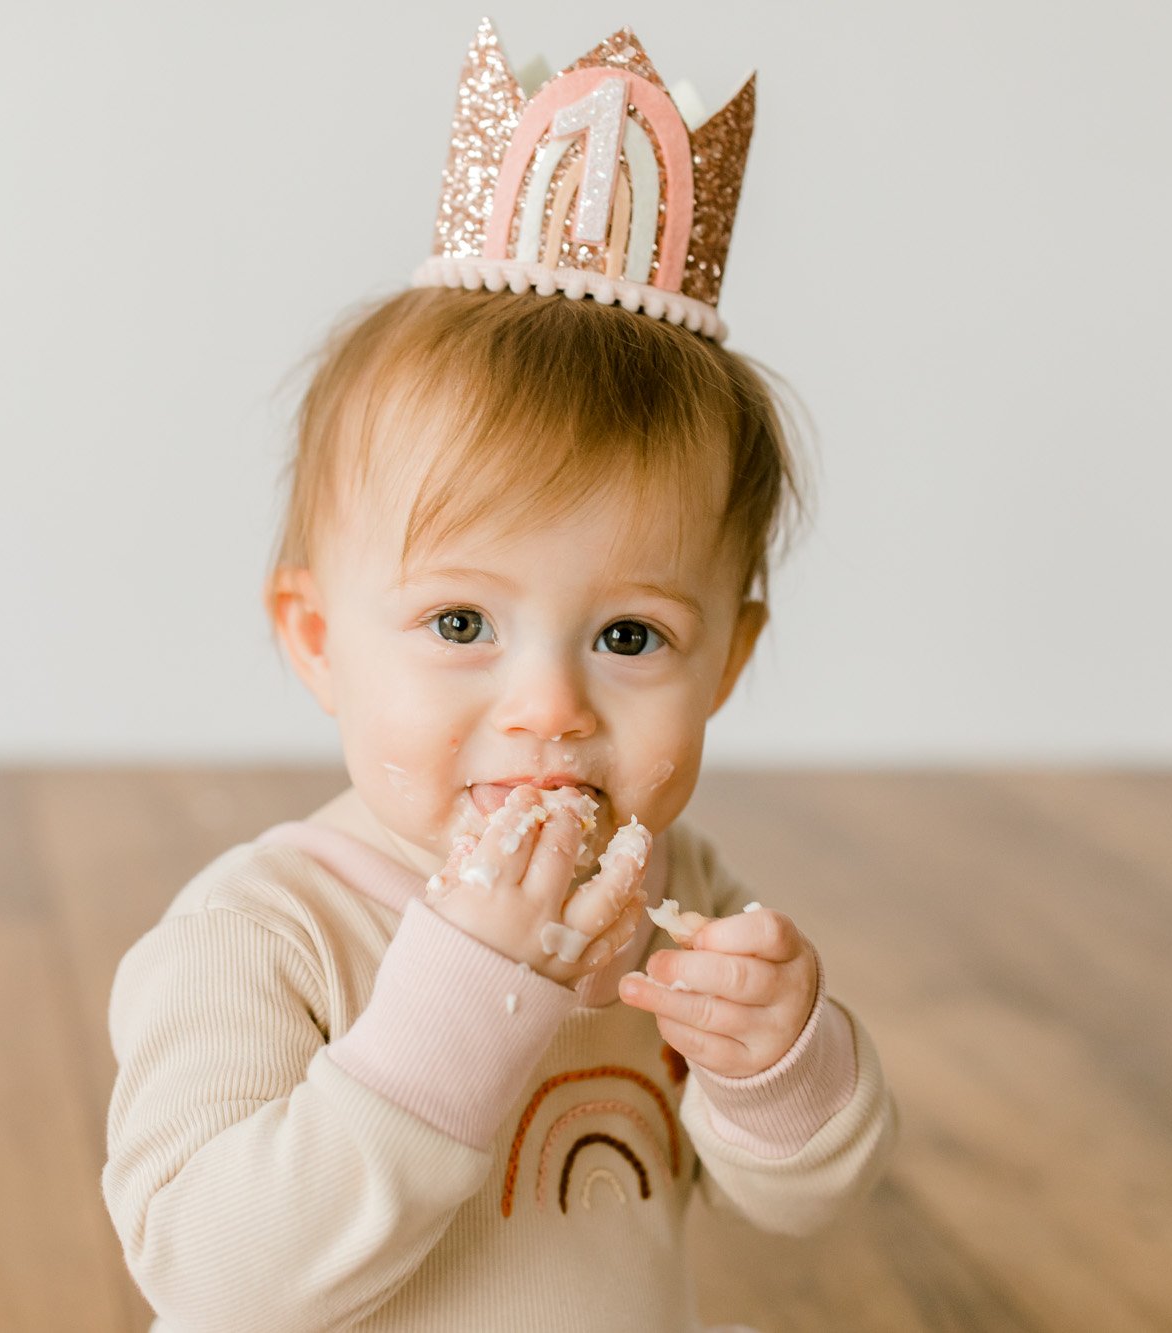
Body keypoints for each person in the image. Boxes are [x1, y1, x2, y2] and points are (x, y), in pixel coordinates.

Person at [101, 19, 900, 1332]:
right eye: (462, 622)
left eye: (628, 637)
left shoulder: (675, 889)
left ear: (728, 661)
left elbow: (803, 1196)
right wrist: (463, 994)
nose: (550, 708)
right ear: (317, 641)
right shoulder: (258, 933)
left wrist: (777, 1068)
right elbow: (216, 1276)